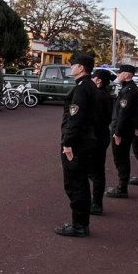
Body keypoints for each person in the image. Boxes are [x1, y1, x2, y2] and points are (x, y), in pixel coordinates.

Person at [55, 53, 97, 238]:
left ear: (81, 68)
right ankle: (81, 223)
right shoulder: (90, 86)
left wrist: (68, 143)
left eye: (73, 65)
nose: (70, 68)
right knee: (81, 183)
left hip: (77, 143)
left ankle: (79, 225)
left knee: (75, 184)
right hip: (87, 140)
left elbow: (75, 119)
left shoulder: (82, 88)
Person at [105, 64, 138, 197]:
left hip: (122, 131)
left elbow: (124, 114)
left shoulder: (129, 90)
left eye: (120, 73)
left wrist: (118, 133)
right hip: (124, 129)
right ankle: (122, 186)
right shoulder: (128, 88)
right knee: (121, 157)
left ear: (126, 74)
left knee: (121, 158)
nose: (118, 75)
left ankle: (122, 188)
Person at [90, 69, 114, 214]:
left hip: (96, 137)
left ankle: (96, 204)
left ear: (98, 80)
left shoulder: (98, 96)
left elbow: (95, 119)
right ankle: (96, 202)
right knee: (96, 171)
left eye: (93, 78)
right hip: (101, 136)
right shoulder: (106, 95)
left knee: (96, 172)